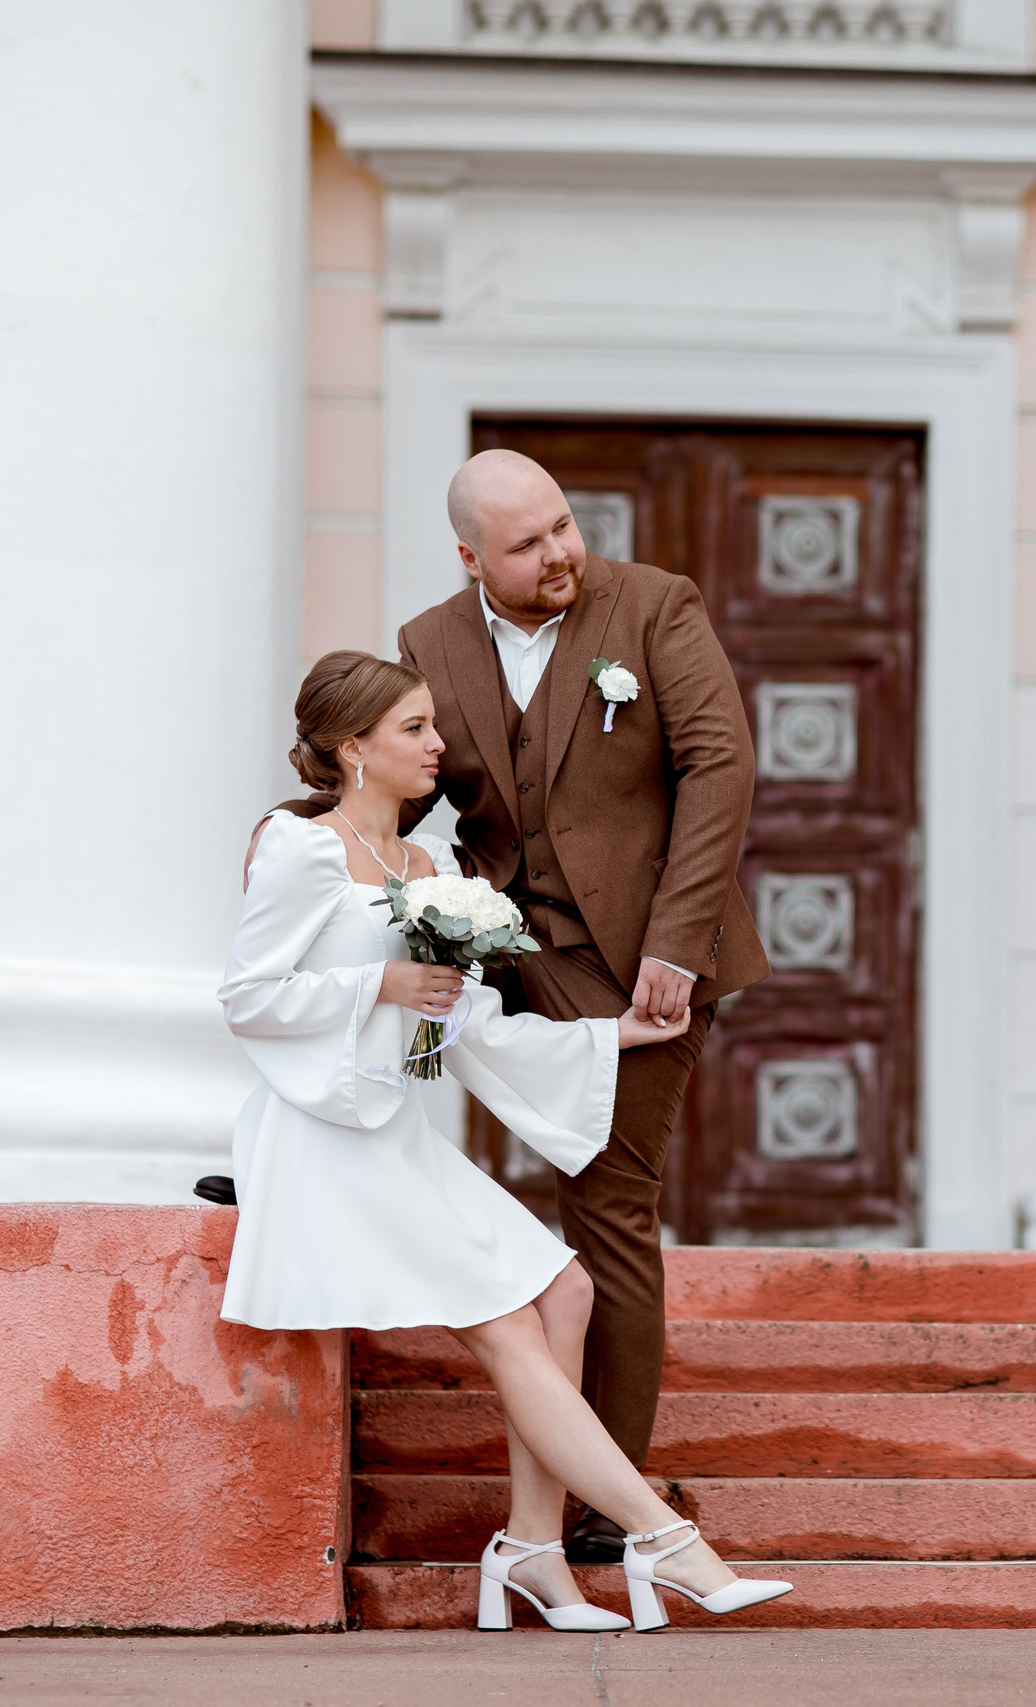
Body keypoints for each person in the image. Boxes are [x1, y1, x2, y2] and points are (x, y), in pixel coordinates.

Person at [219, 650, 790, 1633]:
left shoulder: (433, 869)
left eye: (433, 725)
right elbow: (247, 999)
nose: (439, 745)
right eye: (414, 729)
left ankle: (530, 1549)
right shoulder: (296, 847)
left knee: (565, 1288)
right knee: (502, 1319)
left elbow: (463, 1031)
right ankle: (661, 1536)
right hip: (320, 1138)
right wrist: (379, 987)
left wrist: (610, 1034)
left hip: (394, 1130)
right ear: (353, 748)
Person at [390, 448, 770, 1564]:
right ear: (471, 558)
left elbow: (720, 765)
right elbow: (406, 777)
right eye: (527, 543)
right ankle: (570, 1488)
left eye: (562, 526)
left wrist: (676, 946)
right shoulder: (429, 643)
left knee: (607, 1204)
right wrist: (344, 851)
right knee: (523, 1193)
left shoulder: (653, 607)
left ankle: (606, 1504)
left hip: (643, 969)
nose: (560, 554)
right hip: (510, 961)